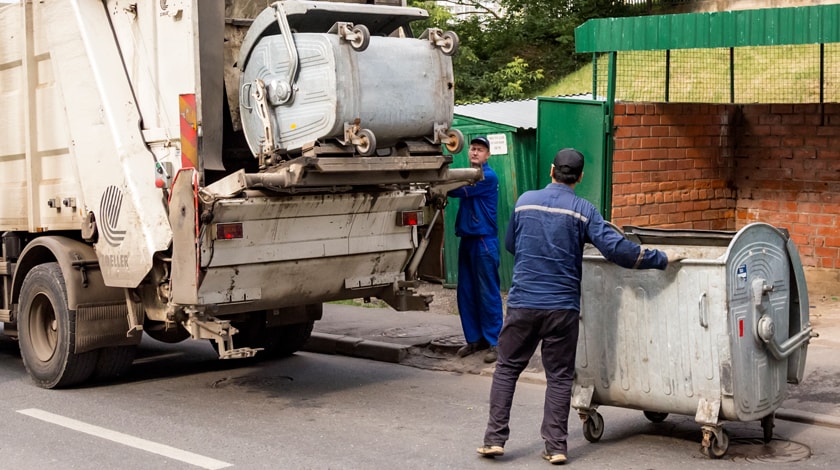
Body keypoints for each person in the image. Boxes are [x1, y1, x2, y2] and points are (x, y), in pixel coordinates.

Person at [476, 148, 677, 465]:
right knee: (558, 377)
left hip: (523, 303)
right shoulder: (584, 210)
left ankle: (494, 439)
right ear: (580, 177)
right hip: (562, 309)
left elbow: (512, 245)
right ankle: (556, 446)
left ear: (552, 170)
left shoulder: (525, 200)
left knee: (506, 368)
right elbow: (616, 250)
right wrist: (660, 259)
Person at [447, 136, 505, 364]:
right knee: (467, 292)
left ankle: (495, 342)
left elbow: (455, 191)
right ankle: (475, 339)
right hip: (468, 240)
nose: (474, 153)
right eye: (472, 149)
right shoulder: (468, 174)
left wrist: (438, 178)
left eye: (480, 150)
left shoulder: (485, 176)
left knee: (487, 292)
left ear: (488, 155)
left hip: (483, 242)